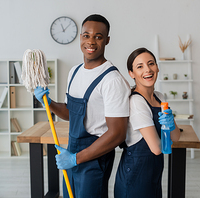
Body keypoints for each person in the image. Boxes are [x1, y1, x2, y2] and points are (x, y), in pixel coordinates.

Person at [34, 14, 130, 198]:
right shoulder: (75, 71)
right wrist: (48, 102)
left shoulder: (112, 80)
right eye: (86, 35)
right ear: (80, 37)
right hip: (71, 151)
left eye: (98, 36)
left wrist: (75, 158)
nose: (91, 42)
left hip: (95, 158)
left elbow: (117, 133)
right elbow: (71, 112)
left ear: (107, 40)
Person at [114, 47, 181, 198]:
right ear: (131, 74)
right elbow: (157, 148)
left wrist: (171, 124)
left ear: (157, 67)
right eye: (140, 66)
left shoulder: (159, 97)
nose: (148, 70)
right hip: (135, 175)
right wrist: (168, 137)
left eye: (151, 64)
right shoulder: (136, 102)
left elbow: (176, 137)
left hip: (154, 174)